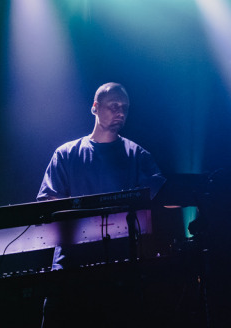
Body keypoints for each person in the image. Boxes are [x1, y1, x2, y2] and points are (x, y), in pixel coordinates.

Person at [37, 82, 165, 325]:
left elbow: (160, 197)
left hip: (122, 268)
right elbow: (48, 203)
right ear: (95, 107)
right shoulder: (66, 154)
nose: (120, 112)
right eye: (113, 105)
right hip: (70, 268)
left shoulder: (138, 155)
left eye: (124, 108)